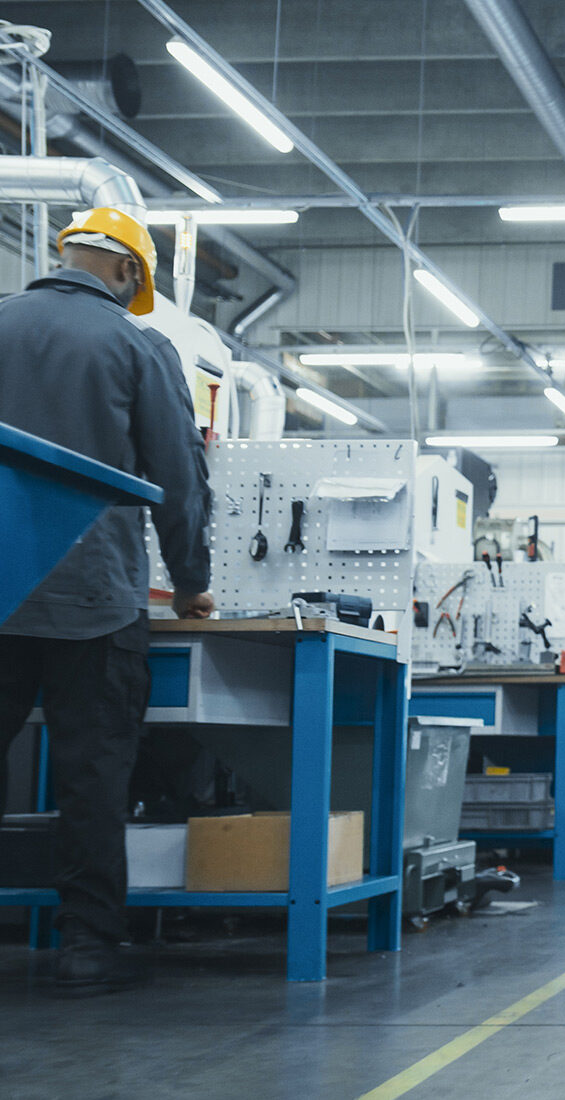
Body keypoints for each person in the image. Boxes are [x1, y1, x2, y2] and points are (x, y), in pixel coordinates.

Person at [0, 207, 213, 996]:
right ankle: (86, 946)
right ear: (128, 272)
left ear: (67, 255)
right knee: (93, 774)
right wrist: (191, 582)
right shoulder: (136, 344)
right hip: (93, 597)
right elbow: (179, 477)